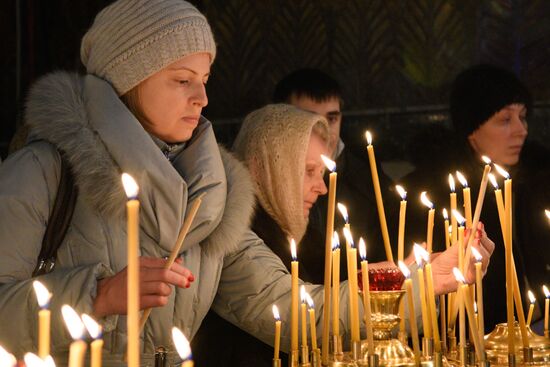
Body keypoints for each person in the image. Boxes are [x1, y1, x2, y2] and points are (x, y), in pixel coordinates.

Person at [0, 1, 348, 363]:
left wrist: (393, 294)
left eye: (205, 79)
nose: (202, 98)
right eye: (183, 80)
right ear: (128, 78)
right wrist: (97, 294)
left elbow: (289, 311)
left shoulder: (209, 193)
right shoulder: (42, 171)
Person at [192, 104, 496, 367]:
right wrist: (423, 285)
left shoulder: (304, 238)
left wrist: (414, 275)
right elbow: (310, 317)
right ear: (269, 168)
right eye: (309, 171)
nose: (322, 188)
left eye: (321, 175)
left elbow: (344, 295)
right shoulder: (232, 239)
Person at [402, 64, 550, 332]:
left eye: (523, 117)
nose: (522, 130)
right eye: (505, 120)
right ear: (471, 129)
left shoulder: (539, 182)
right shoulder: (435, 194)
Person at [273, 69, 396, 282]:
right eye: (309, 120)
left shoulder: (366, 177)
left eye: (331, 118)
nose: (325, 131)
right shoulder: (269, 184)